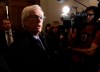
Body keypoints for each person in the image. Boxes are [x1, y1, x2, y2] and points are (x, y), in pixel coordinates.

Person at [9, 4, 51, 72]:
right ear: (25, 21)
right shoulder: (17, 46)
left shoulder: (46, 38)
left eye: (41, 17)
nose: (39, 20)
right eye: (34, 16)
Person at [69, 6, 100, 72]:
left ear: (96, 16)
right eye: (86, 14)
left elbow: (90, 52)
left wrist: (72, 49)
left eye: (90, 15)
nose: (87, 16)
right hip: (76, 63)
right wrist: (71, 29)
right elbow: (72, 43)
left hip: (89, 65)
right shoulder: (81, 27)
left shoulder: (97, 30)